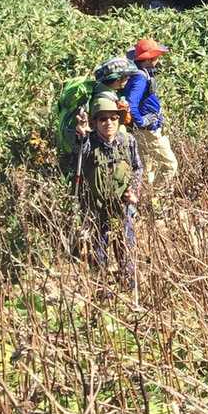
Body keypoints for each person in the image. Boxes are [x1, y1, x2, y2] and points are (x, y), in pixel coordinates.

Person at [73, 92, 141, 284]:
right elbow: (80, 151)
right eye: (103, 119)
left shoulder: (128, 141)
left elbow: (137, 168)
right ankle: (102, 287)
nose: (109, 123)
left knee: (126, 246)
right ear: (95, 123)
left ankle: (128, 282)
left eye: (114, 118)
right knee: (99, 250)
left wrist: (134, 191)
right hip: (97, 209)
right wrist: (81, 133)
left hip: (123, 207)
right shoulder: (89, 142)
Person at [55, 56, 137, 174]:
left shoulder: (100, 91)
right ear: (117, 79)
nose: (128, 79)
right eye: (126, 76)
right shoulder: (103, 100)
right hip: (95, 151)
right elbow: (107, 129)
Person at [124, 38, 178, 192]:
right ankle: (157, 196)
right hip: (148, 131)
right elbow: (131, 103)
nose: (158, 59)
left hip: (142, 131)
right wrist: (141, 121)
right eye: (156, 57)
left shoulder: (138, 72)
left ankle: (146, 197)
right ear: (148, 60)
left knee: (147, 168)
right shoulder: (140, 78)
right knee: (170, 165)